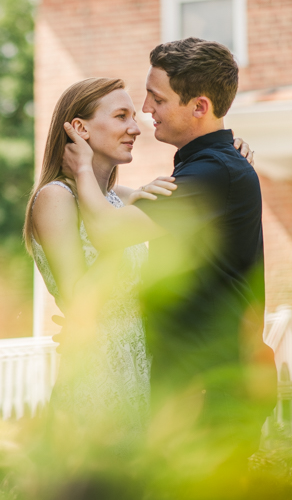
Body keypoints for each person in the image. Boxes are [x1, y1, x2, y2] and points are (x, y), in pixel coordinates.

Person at [61, 38, 276, 498]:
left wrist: (81, 170)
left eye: (157, 98)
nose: (145, 109)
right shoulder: (209, 168)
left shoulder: (215, 172)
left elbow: (109, 232)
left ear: (199, 106)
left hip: (212, 388)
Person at [24, 76, 254, 453]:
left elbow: (208, 187)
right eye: (121, 116)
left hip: (146, 373)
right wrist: (116, 234)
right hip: (99, 378)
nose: (136, 127)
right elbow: (80, 302)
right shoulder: (55, 198)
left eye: (134, 115)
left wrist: (234, 149)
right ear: (79, 129)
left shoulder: (121, 198)